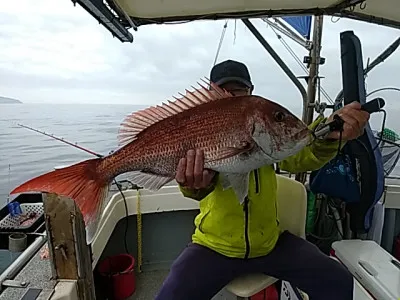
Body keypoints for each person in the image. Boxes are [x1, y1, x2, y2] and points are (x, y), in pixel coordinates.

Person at [155, 60, 370, 300]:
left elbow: (302, 155)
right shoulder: (203, 125)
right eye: (224, 90)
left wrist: (328, 136)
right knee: (171, 294)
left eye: (240, 90)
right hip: (214, 246)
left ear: (250, 91)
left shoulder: (266, 137)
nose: (232, 95)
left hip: (270, 244)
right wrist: (193, 185)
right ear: (211, 93)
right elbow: (193, 189)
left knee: (337, 279)